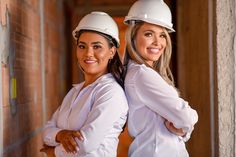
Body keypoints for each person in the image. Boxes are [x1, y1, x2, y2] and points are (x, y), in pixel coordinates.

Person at [40, 11, 128, 157]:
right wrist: (61, 134)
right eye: (82, 46)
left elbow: (85, 145)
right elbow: (47, 130)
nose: (88, 53)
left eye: (97, 46)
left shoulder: (112, 93)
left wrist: (52, 152)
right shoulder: (75, 91)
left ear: (112, 52)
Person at [123, 0, 198, 157]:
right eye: (149, 34)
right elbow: (185, 116)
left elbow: (181, 124)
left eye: (162, 35)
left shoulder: (139, 73)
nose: (158, 42)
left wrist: (184, 130)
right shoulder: (142, 74)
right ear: (133, 37)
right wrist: (189, 120)